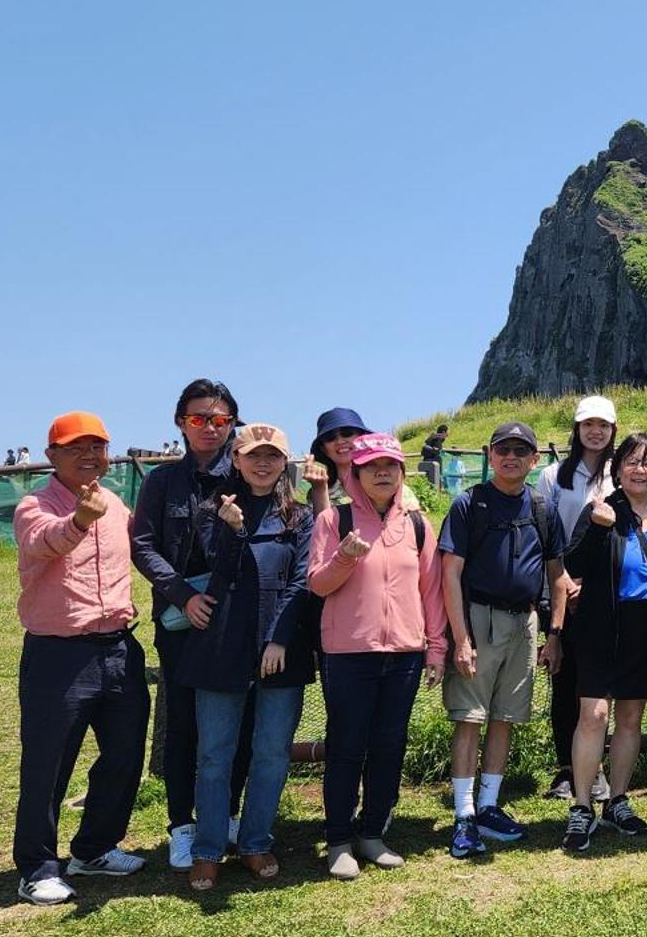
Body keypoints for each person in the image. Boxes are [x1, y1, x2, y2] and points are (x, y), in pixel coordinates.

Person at [9, 412, 149, 905]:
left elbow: (147, 550)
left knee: (125, 754)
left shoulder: (115, 503)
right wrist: (79, 521)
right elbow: (42, 542)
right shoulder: (35, 505)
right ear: (52, 456)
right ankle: (37, 868)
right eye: (76, 448)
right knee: (48, 763)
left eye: (98, 448)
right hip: (58, 654)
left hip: (118, 646)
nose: (90, 456)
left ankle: (94, 849)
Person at [179, 424, 313, 889]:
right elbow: (218, 568)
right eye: (253, 455)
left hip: (280, 648)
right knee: (214, 755)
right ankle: (208, 848)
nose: (263, 464)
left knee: (271, 752)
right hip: (221, 645)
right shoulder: (213, 509)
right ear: (235, 459)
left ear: (284, 463)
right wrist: (234, 529)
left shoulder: (299, 516)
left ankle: (256, 841)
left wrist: (279, 640)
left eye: (272, 456)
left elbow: (301, 581)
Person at [308, 433, 446, 879]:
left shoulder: (418, 525)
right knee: (347, 748)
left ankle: (372, 834)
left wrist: (436, 647)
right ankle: (338, 841)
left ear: (402, 473)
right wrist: (345, 558)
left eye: (390, 465)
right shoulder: (334, 520)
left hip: (404, 652)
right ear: (354, 474)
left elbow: (432, 590)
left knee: (389, 745)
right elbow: (317, 584)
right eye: (372, 467)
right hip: (350, 652)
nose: (382, 473)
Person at [130, 377, 250, 869]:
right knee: (182, 723)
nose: (210, 428)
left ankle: (230, 817)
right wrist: (183, 593)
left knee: (239, 722)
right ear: (180, 422)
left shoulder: (248, 475)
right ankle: (182, 825)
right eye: (199, 419)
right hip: (181, 620)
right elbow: (142, 545)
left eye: (220, 420)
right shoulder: (161, 482)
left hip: (237, 619)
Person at [439, 419, 565, 858]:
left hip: (525, 624)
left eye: (520, 451)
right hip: (478, 618)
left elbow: (557, 576)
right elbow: (449, 574)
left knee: (505, 718)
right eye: (502, 450)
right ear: (490, 456)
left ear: (534, 460)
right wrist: (461, 638)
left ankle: (489, 806)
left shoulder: (542, 508)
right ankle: (463, 814)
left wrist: (555, 634)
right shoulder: (468, 504)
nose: (511, 458)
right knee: (469, 717)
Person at [560, 433, 647, 852]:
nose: (640, 469)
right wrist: (598, 530)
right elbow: (573, 564)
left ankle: (617, 800)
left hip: (644, 628)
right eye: (632, 461)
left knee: (630, 719)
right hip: (599, 625)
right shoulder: (601, 510)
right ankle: (582, 806)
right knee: (593, 715)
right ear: (617, 468)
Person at [536, 396, 617, 800]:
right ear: (577, 428)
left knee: (599, 683)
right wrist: (561, 579)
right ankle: (567, 769)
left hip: (606, 589)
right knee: (564, 678)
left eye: (603, 425)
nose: (596, 431)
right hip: (561, 584)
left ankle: (597, 767)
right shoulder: (554, 476)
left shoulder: (619, 475)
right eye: (588, 424)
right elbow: (546, 533)